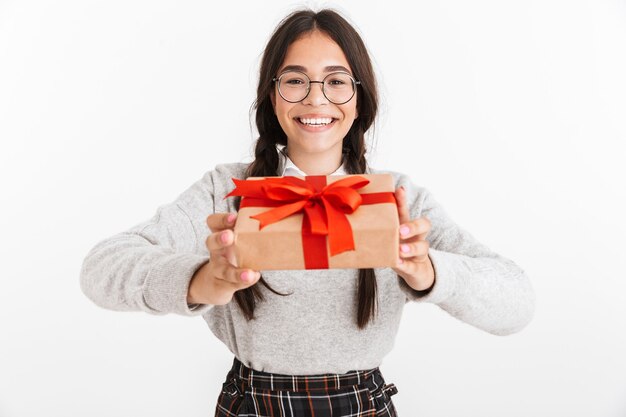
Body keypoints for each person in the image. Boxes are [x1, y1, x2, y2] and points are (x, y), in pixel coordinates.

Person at [79, 8, 535, 417]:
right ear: (272, 96)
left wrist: (429, 271)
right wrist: (200, 279)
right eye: (295, 80)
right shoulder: (227, 190)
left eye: (336, 81)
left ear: (359, 99)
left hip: (363, 406)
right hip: (251, 405)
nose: (316, 99)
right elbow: (100, 269)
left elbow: (517, 304)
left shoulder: (397, 198)